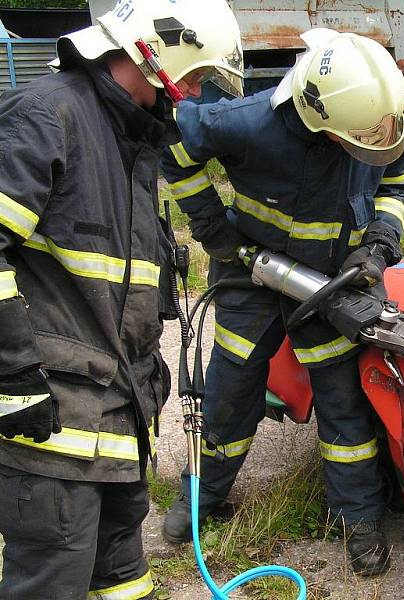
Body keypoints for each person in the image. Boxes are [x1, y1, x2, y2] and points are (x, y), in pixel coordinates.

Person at [0, 2, 243, 597]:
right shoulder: (48, 116)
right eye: (193, 76)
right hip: (54, 425)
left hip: (118, 416)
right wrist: (13, 376)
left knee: (125, 580)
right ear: (155, 52)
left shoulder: (130, 135)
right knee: (53, 580)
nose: (191, 94)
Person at [159, 28, 404, 577]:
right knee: (230, 390)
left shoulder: (373, 115)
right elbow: (175, 150)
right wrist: (212, 229)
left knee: (343, 399)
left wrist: (380, 244)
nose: (375, 138)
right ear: (318, 119)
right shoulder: (245, 123)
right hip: (251, 275)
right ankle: (202, 500)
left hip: (333, 282)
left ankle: (357, 518)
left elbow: (397, 175)